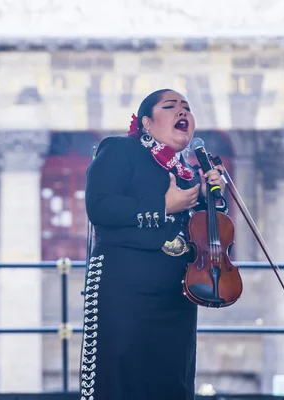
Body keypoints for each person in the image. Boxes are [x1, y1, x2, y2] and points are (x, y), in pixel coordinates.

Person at [80, 89, 228, 400]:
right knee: (123, 378)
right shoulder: (119, 150)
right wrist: (161, 206)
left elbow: (204, 233)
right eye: (171, 106)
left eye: (187, 108)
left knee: (172, 379)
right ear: (147, 122)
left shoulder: (186, 171)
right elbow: (100, 207)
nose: (183, 112)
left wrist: (209, 197)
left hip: (175, 294)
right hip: (124, 290)